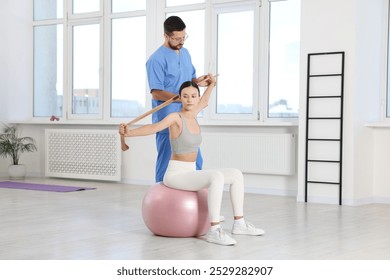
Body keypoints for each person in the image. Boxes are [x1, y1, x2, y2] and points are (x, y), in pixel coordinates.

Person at [119, 75, 265, 246]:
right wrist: (129, 132)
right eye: (185, 96)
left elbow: (205, 101)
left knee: (236, 174)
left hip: (190, 172)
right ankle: (214, 230)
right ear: (180, 98)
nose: (190, 99)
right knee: (216, 177)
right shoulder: (175, 117)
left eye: (193, 96)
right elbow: (154, 127)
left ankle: (239, 223)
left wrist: (212, 84)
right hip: (175, 174)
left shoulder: (194, 114)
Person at [146, 15, 209, 182]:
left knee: (196, 159)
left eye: (184, 37)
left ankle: (194, 195)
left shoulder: (186, 53)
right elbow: (156, 92)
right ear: (166, 36)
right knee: (166, 159)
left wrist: (199, 82)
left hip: (188, 116)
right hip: (167, 117)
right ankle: (159, 196)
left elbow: (190, 80)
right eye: (177, 38)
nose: (181, 42)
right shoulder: (156, 59)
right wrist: (181, 98)